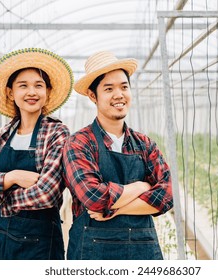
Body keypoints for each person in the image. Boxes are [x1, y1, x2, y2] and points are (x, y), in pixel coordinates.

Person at [62, 51, 173, 260]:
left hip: (143, 250)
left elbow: (167, 196)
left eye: (124, 86)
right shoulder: (79, 143)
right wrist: (141, 187)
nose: (119, 94)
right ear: (93, 96)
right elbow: (94, 199)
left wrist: (115, 210)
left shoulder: (144, 144)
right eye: (109, 88)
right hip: (93, 252)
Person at [0, 48, 73, 260]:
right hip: (1, 236)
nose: (32, 92)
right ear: (11, 93)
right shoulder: (1, 135)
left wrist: (3, 199)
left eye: (39, 85)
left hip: (41, 240)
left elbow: (47, 193)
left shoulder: (57, 133)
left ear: (47, 92)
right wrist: (13, 177)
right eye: (23, 86)